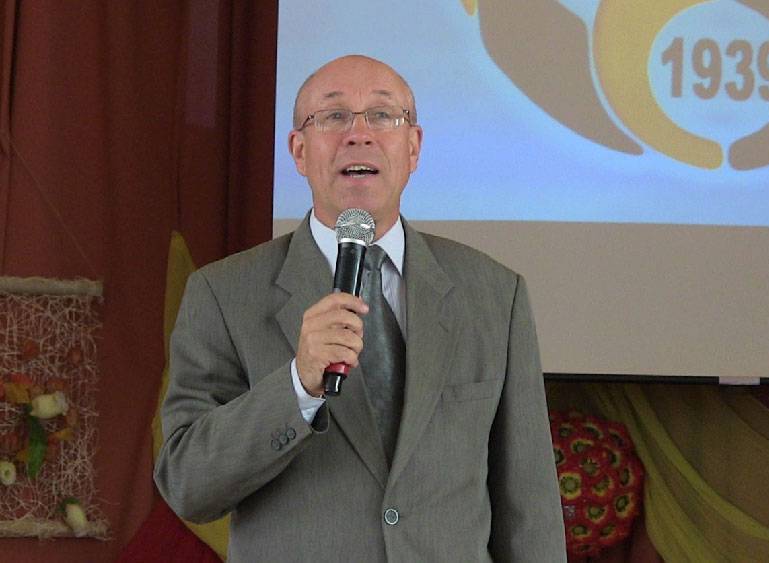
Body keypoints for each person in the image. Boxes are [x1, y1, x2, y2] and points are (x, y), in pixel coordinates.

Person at [154, 55, 566, 562]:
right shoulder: (223, 294)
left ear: (413, 147)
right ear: (298, 150)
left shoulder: (495, 294)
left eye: (382, 116)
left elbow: (530, 510)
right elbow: (188, 484)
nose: (359, 134)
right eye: (333, 116)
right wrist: (298, 386)